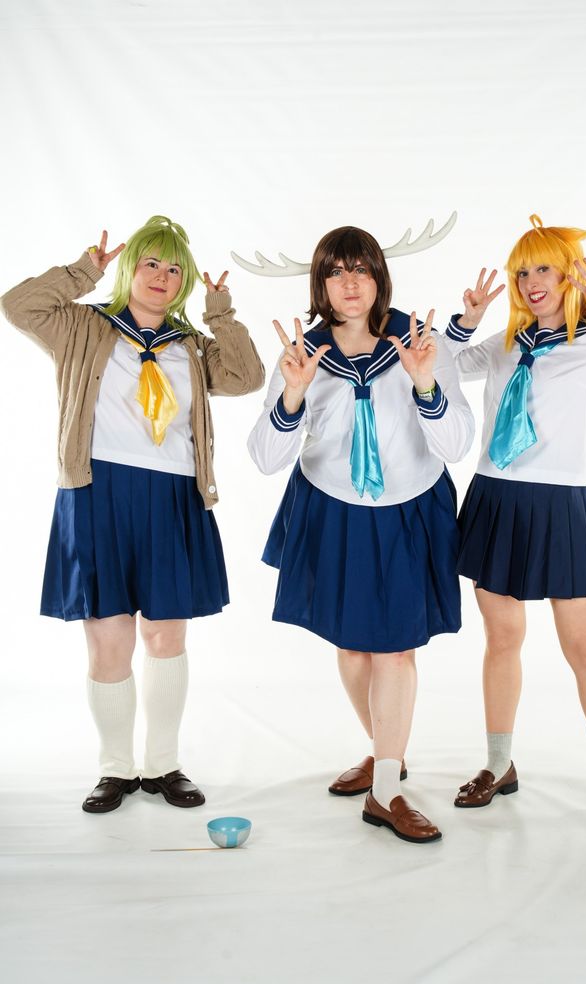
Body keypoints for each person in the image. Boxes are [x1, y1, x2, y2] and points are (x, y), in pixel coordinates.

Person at [1, 215, 264, 813]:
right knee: (108, 638)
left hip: (173, 495)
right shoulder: (83, 326)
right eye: (151, 263)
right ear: (129, 269)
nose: (162, 277)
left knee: (166, 633)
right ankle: (114, 769)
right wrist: (80, 273)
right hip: (98, 491)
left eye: (175, 270)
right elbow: (18, 306)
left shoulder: (192, 344)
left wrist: (220, 314)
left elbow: (247, 375)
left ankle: (164, 765)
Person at [442, 214, 586, 841]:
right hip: (496, 498)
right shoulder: (504, 343)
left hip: (562, 505)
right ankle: (499, 766)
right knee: (502, 638)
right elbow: (441, 366)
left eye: (542, 268)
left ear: (570, 274)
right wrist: (465, 319)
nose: (529, 282)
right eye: (522, 272)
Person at [248, 225, 474, 843]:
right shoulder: (303, 353)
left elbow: (457, 444)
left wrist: (426, 382)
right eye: (336, 271)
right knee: (351, 646)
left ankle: (387, 791)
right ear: (320, 284)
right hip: (333, 508)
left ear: (379, 277)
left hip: (408, 507)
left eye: (362, 269)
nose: (350, 282)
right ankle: (387, 753)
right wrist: (292, 393)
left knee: (395, 648)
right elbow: (266, 459)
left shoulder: (421, 341)